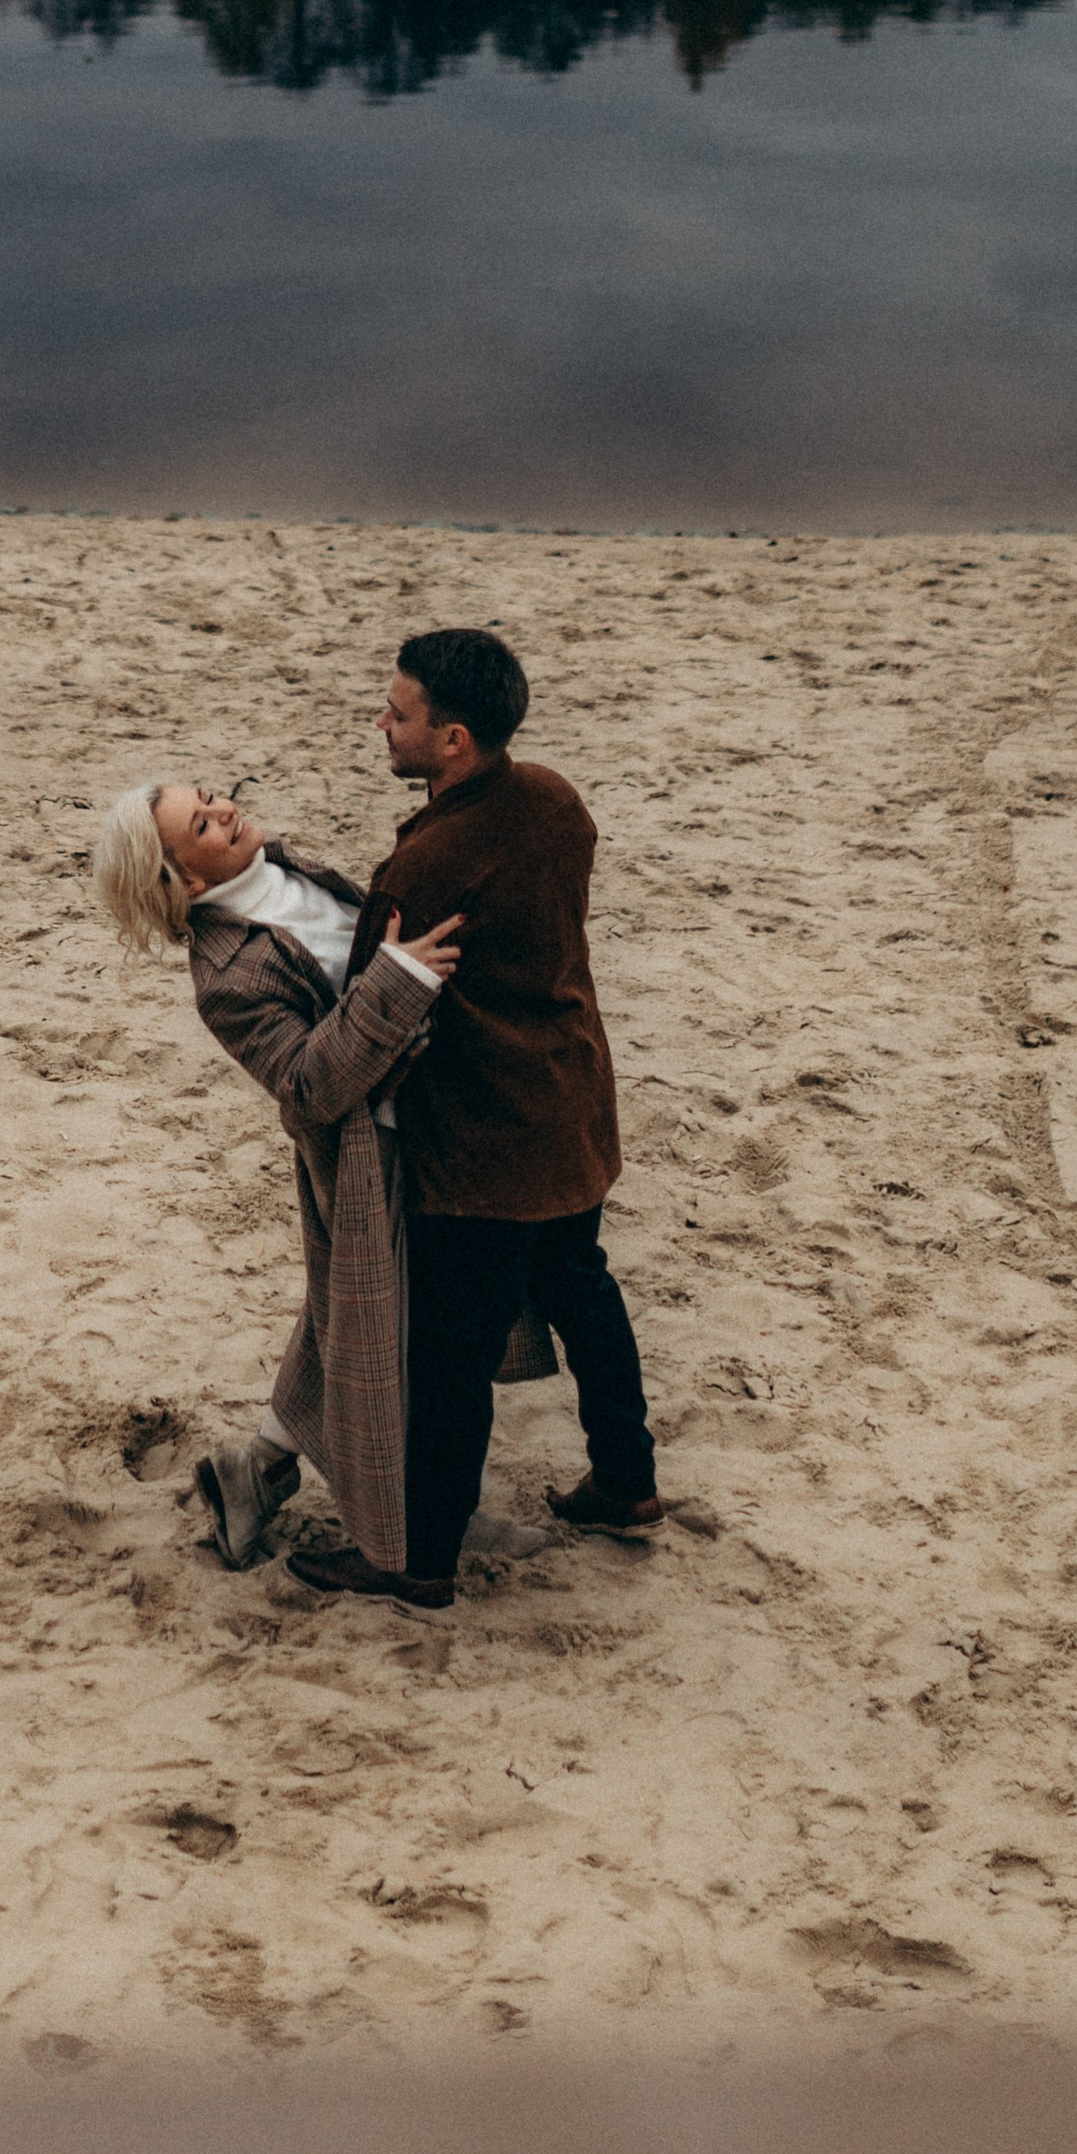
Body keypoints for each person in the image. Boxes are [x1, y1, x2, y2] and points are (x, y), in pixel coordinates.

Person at [87, 779, 554, 1579]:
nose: (226, 811)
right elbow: (306, 1084)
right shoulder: (227, 978)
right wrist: (399, 983)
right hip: (377, 1158)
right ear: (188, 881)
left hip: (437, 1121)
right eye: (202, 823)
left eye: (212, 795)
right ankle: (433, 1517)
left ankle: (260, 1471)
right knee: (404, 1333)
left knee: (362, 1321)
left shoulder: (288, 869)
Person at [286, 623, 661, 1616]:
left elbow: (372, 1007)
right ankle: (626, 1482)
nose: (382, 721)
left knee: (448, 1361)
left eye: (398, 712)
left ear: (452, 739)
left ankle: (418, 1563)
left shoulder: (425, 867)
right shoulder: (554, 801)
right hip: (572, 1109)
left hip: (485, 1146)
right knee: (585, 1293)